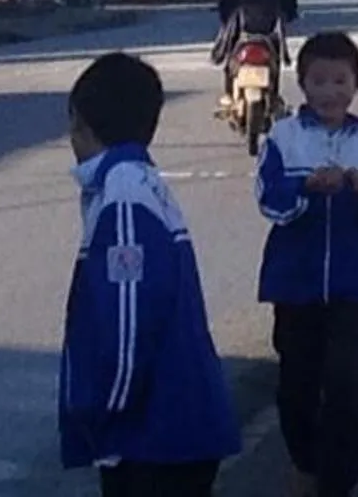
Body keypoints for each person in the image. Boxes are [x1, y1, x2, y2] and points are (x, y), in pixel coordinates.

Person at [61, 51, 242, 496]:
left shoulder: (122, 195)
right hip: (170, 429)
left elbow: (129, 318)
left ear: (80, 123)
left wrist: (107, 412)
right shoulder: (138, 181)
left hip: (155, 434)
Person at [254, 31, 358, 497]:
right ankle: (305, 461)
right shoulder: (282, 139)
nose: (330, 92)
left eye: (340, 80)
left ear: (356, 85)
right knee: (295, 385)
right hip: (295, 282)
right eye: (319, 81)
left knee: (346, 385)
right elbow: (269, 201)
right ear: (302, 84)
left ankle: (338, 482)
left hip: (353, 284)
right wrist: (306, 191)